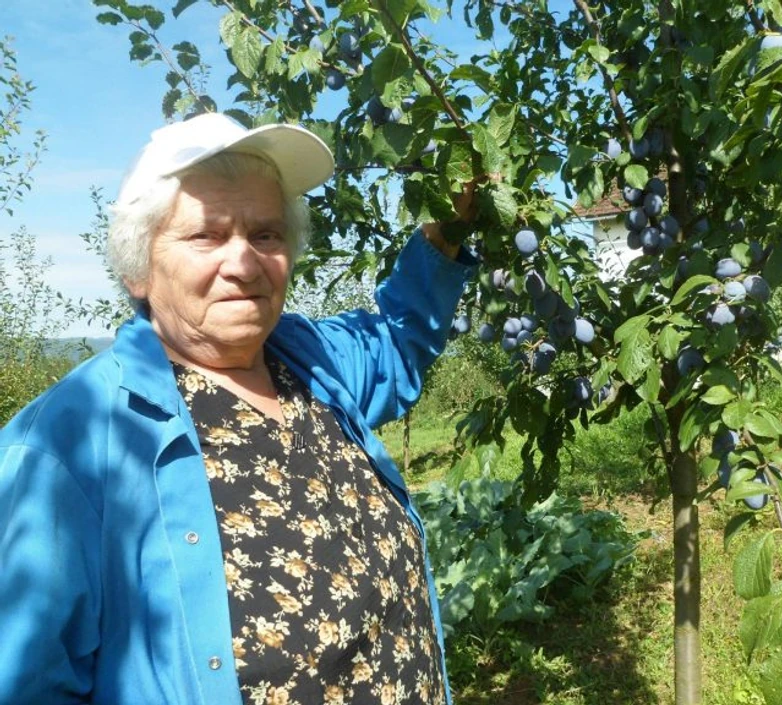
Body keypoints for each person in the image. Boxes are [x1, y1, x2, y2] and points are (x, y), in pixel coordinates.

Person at [0, 112, 477, 705]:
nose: (245, 264)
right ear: (138, 268)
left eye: (266, 234)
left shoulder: (308, 361)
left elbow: (396, 344)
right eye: (206, 235)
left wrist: (445, 229)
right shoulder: (67, 447)